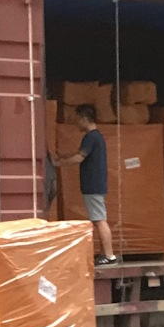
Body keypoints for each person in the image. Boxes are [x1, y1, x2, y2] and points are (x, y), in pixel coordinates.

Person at [54, 104, 118, 265]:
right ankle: (105, 254)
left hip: (93, 184)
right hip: (95, 183)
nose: (76, 123)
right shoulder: (96, 137)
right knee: (98, 219)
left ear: (85, 119)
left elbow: (79, 157)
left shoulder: (91, 137)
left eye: (77, 119)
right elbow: (79, 153)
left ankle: (109, 255)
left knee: (99, 220)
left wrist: (59, 163)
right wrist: (64, 155)